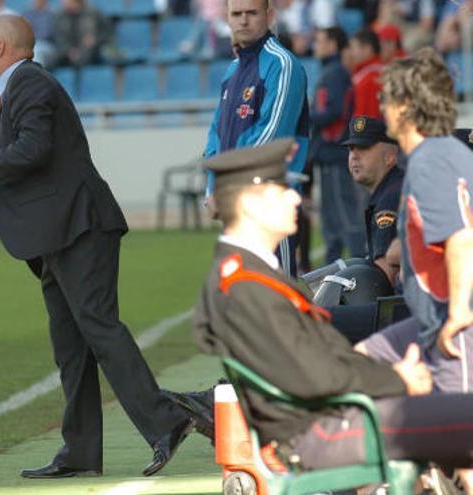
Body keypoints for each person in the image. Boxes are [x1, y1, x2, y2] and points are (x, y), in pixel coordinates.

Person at [0, 14, 193, 479]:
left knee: (98, 327)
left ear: (1, 47)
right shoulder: (22, 87)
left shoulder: (30, 83)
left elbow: (34, 149)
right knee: (70, 346)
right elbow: (46, 166)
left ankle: (167, 422)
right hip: (59, 232)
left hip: (80, 229)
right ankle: (80, 452)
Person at [193, 137, 473, 476]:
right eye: (283, 190)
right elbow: (314, 374)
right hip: (319, 432)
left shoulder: (245, 274)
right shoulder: (246, 284)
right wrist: (398, 380)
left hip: (323, 420)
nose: (296, 198)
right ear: (252, 205)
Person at [355, 48, 473, 491]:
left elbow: (463, 237)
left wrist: (459, 312)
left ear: (406, 106)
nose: (381, 107)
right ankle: (407, 472)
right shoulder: (439, 155)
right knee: (361, 363)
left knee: (464, 462)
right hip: (428, 320)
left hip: (452, 327)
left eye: (387, 99)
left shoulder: (430, 161)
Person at [203, 0, 309, 276]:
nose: (243, 20)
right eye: (236, 14)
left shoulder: (282, 65)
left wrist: (226, 186)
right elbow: (216, 134)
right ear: (227, 18)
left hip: (270, 205)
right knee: (241, 304)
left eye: (252, 13)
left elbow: (271, 135)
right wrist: (212, 189)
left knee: (276, 303)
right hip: (235, 207)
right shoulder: (232, 71)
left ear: (269, 15)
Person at [309, 26, 366, 265]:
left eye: (320, 40)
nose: (316, 46)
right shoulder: (334, 72)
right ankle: (331, 272)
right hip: (330, 155)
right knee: (331, 220)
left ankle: (362, 265)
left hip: (333, 154)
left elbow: (334, 112)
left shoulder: (334, 74)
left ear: (333, 45)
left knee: (343, 217)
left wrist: (307, 116)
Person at [344, 116, 402, 284]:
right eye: (351, 148)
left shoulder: (390, 198)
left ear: (390, 157)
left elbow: (382, 280)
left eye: (364, 148)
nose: (354, 155)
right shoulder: (393, 187)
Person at [348, 29, 382, 118]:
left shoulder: (370, 78)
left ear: (367, 48)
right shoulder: (365, 72)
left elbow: (366, 117)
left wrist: (356, 131)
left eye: (353, 48)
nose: (350, 53)